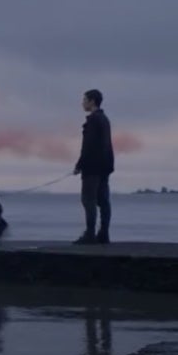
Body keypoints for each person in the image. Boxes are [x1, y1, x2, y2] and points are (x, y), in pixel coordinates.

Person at [73, 89, 114, 244]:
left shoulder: (93, 120)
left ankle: (90, 234)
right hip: (105, 165)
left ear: (92, 101)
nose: (82, 103)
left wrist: (79, 165)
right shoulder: (104, 119)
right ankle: (103, 234)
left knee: (88, 200)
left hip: (92, 167)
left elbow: (88, 146)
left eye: (84, 100)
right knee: (103, 201)